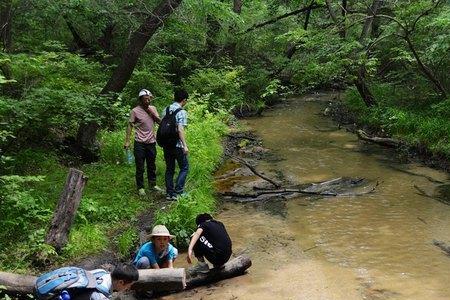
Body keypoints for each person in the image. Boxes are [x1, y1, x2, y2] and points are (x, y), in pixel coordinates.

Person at [124, 89, 162, 196]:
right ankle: (140, 187)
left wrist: (152, 113)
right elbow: (130, 125)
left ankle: (152, 184)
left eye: (149, 99)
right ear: (140, 100)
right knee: (140, 166)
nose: (147, 101)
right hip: (139, 142)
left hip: (151, 142)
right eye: (145, 99)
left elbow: (160, 122)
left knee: (151, 164)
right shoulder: (135, 111)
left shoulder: (153, 108)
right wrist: (127, 141)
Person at [35, 263, 139, 300]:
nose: (128, 288)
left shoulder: (101, 272)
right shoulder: (100, 297)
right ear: (121, 282)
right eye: (128, 285)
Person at [161, 89, 189, 200]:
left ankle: (169, 193)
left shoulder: (166, 109)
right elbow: (180, 129)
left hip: (166, 144)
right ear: (184, 100)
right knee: (184, 167)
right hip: (177, 145)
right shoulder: (181, 112)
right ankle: (179, 191)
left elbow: (162, 124)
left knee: (169, 168)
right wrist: (185, 145)